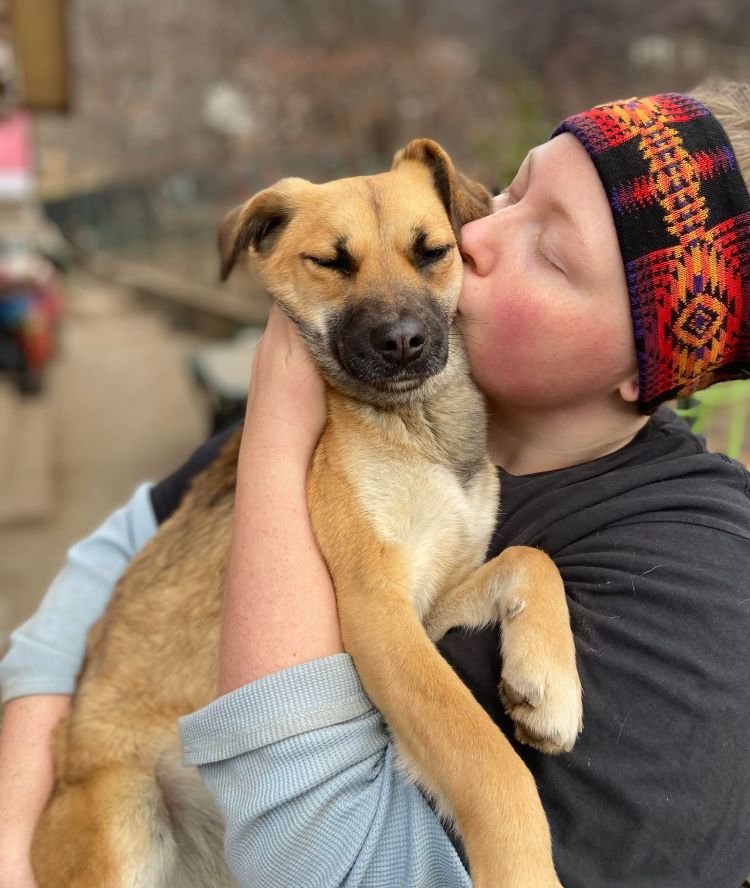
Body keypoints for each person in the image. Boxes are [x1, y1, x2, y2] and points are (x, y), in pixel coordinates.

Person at [2, 83, 750, 888]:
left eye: (553, 252)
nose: (479, 233)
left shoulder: (701, 583)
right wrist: (14, 840)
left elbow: (325, 861)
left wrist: (279, 436)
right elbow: (106, 565)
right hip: (136, 773)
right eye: (509, 192)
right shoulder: (352, 400)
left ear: (655, 362)